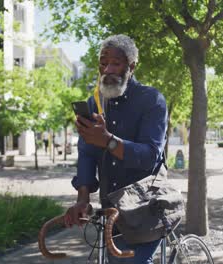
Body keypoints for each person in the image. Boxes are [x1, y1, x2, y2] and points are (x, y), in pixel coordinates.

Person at [66, 34, 168, 264]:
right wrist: (82, 198)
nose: (108, 69)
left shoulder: (152, 100)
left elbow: (150, 156)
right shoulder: (96, 103)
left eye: (116, 63)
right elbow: (87, 152)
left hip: (145, 210)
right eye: (103, 63)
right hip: (110, 212)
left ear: (131, 66)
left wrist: (109, 141)